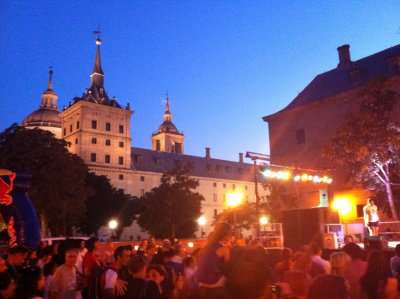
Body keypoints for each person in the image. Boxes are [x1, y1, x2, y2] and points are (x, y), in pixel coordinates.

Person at [196, 222, 232, 298]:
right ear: (226, 235)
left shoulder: (204, 249)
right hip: (216, 284)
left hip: (201, 284)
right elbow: (228, 269)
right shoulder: (224, 250)